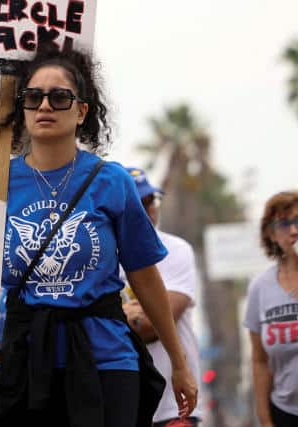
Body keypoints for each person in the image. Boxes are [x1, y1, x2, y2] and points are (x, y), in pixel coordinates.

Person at [0, 46, 198, 427]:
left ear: (81, 111)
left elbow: (146, 277)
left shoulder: (112, 182)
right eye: (33, 97)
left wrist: (179, 364)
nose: (44, 105)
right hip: (26, 361)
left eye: (59, 97)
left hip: (106, 360)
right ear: (22, 108)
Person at [119, 166, 203, 427]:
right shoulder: (105, 253)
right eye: (138, 203)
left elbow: (151, 325)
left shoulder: (176, 251)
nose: (148, 210)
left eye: (150, 201)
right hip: (124, 404)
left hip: (173, 406)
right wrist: (127, 314)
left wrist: (117, 316)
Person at [244, 190, 298, 427]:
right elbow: (259, 361)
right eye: (285, 224)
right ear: (271, 233)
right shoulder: (260, 287)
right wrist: (265, 420)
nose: (294, 231)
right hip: (284, 412)